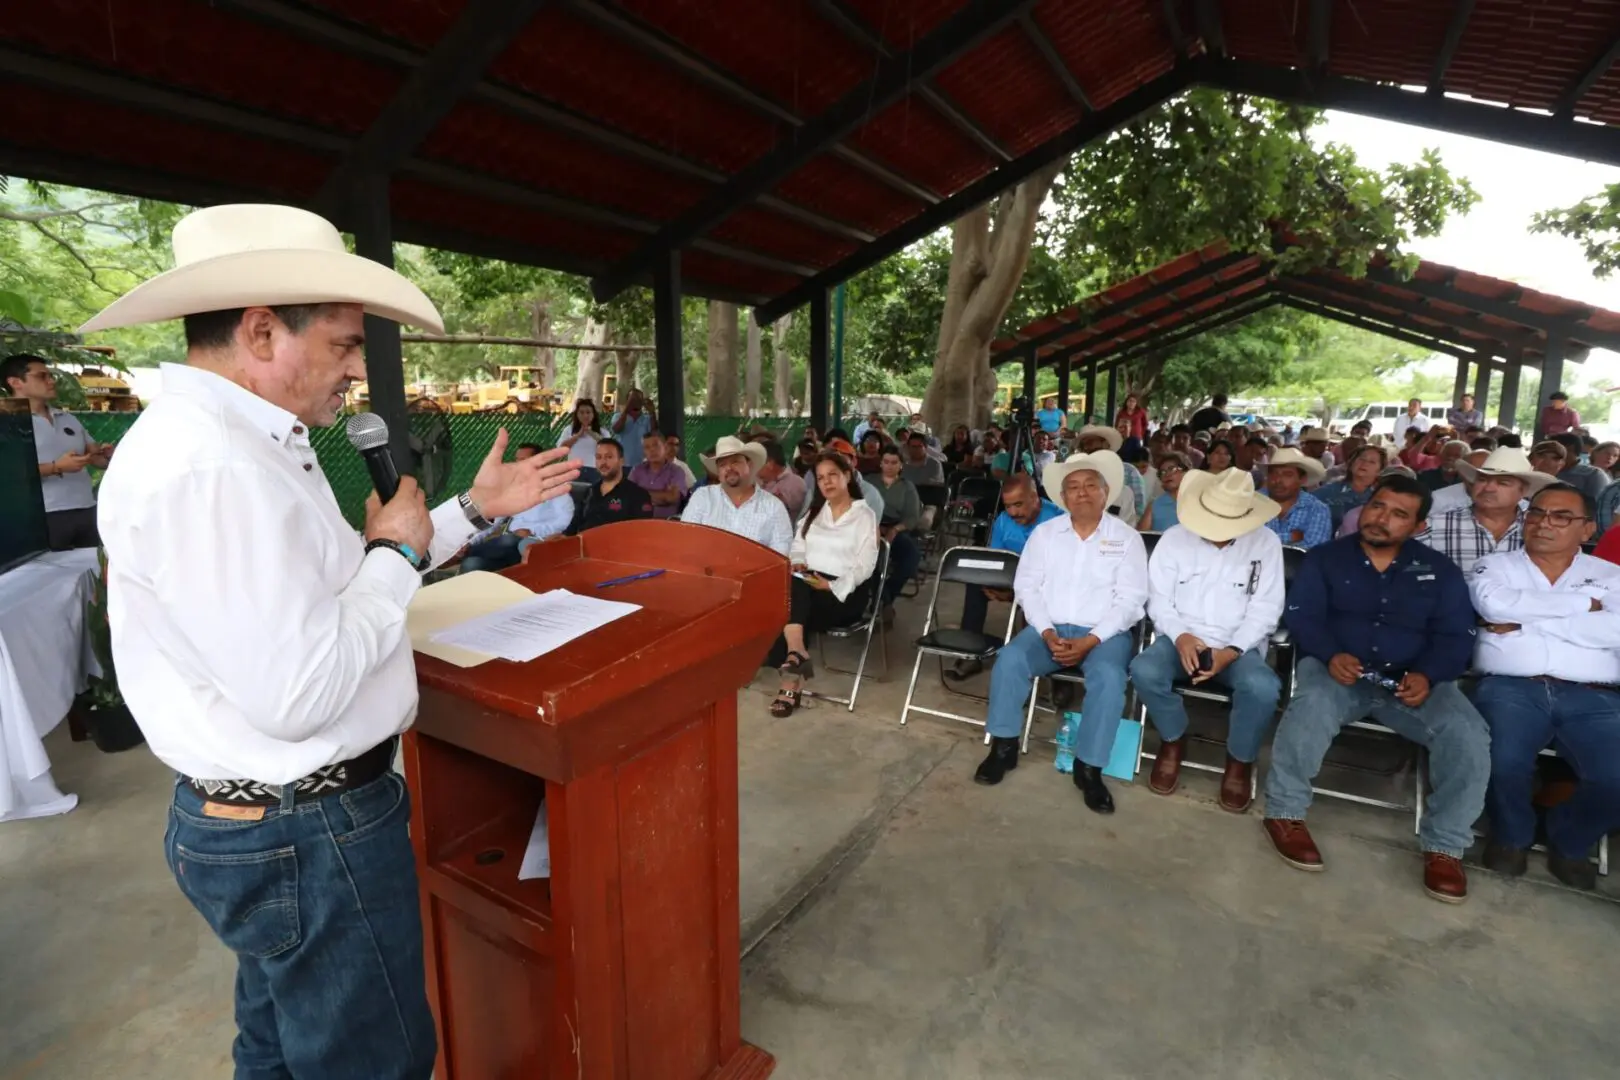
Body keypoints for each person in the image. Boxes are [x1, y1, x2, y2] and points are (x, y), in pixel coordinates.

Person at [86, 203, 581, 1077]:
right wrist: (396, 551)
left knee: (280, 1049)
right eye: (347, 346)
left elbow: (331, 592)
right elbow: (299, 692)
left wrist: (467, 513)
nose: (356, 371)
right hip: (307, 831)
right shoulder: (216, 467)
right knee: (371, 1060)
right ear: (263, 329)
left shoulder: (241, 441)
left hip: (271, 824)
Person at [1260, 475, 1485, 903]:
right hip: (1339, 670)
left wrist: (1429, 674)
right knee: (1312, 707)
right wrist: (1329, 653)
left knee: (1467, 733)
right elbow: (1303, 616)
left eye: (1398, 514)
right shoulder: (1326, 559)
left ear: (1418, 526)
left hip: (1410, 680)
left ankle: (1445, 845)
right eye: (1377, 506)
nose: (1381, 519)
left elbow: (1457, 635)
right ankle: (1285, 813)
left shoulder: (1439, 572)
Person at [973, 450, 1147, 816]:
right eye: (1072, 487)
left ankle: (1089, 767)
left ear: (1105, 492)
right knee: (1010, 659)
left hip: (1105, 635)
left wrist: (1092, 639)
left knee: (1110, 677)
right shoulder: (1046, 534)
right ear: (1063, 497)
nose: (1081, 493)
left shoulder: (1127, 538)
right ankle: (1003, 747)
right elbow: (1027, 587)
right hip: (1048, 628)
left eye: (1089, 485)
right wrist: (1048, 631)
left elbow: (1131, 600)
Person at [1470, 484, 1620, 891]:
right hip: (1511, 686)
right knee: (1503, 759)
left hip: (1594, 693)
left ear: (1587, 527)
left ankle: (1569, 839)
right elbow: (1495, 606)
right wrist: (1584, 605)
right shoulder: (1495, 566)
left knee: (1615, 775)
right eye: (1536, 513)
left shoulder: (1611, 576)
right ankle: (1512, 835)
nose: (1543, 523)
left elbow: (1616, 629)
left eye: (1561, 517)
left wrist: (1526, 621)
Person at [1131, 468, 1284, 810]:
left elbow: (1266, 609)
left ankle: (1239, 760)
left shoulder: (1266, 543)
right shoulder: (1173, 538)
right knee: (1144, 670)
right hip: (1179, 639)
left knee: (1263, 688)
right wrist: (1182, 636)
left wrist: (1230, 651)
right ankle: (1173, 738)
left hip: (1238, 647)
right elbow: (1158, 599)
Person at [771, 452, 880, 717]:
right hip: (809, 582)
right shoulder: (815, 512)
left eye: (833, 475)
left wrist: (832, 586)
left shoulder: (864, 515)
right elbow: (797, 546)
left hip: (844, 593)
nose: (826, 482)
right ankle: (796, 656)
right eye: (820, 478)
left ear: (848, 475)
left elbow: (865, 566)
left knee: (789, 603)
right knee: (791, 591)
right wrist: (797, 562)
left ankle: (793, 668)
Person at [945, 473, 1064, 681]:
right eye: (1008, 506)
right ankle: (970, 654)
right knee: (975, 583)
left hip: (1047, 586)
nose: (1012, 512)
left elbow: (1061, 572)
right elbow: (996, 560)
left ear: (1035, 497)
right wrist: (994, 584)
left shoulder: (1058, 521)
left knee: (1041, 606)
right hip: (1012, 580)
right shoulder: (1003, 520)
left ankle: (1054, 673)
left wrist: (1016, 594)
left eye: (1018, 504)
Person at [1, 353, 114, 550]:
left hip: (86, 508)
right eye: (41, 376)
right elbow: (8, 473)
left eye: (50, 376)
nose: (51, 381)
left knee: (91, 572)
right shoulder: (7, 420)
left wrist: (106, 456)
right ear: (15, 382)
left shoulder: (66, 417)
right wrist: (56, 467)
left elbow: (97, 460)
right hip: (40, 515)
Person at [1417, 447, 1546, 574]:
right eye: (1482, 480)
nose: (1488, 488)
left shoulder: (1539, 528)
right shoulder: (1436, 526)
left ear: (1522, 491)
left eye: (1503, 483)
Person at [456, 443, 568, 571]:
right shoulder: (514, 489)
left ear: (539, 462)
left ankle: (463, 555)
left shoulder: (558, 490)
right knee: (471, 564)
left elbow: (563, 523)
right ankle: (467, 553)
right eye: (517, 460)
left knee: (509, 540)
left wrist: (532, 531)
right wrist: (470, 541)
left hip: (534, 544)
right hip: (505, 548)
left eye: (523, 460)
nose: (518, 465)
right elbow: (492, 519)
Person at [681, 436, 793, 556]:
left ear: (749, 465)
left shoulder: (773, 506)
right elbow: (686, 541)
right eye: (722, 465)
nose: (729, 468)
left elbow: (781, 555)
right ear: (718, 472)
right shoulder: (703, 497)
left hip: (755, 573)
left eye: (735, 462)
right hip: (707, 572)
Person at [873, 447, 923, 619]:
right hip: (869, 528)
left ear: (901, 465)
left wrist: (895, 529)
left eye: (894, 463)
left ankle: (887, 593)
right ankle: (883, 601)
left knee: (913, 555)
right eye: (886, 462)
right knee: (871, 559)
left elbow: (912, 517)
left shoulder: (907, 487)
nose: (889, 466)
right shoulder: (869, 482)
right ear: (880, 463)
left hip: (895, 529)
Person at [569, 438, 653, 533]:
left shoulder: (638, 495)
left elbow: (642, 534)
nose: (603, 462)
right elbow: (574, 525)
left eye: (609, 457)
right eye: (599, 457)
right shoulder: (589, 492)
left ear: (621, 461)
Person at [1261, 448, 1331, 548]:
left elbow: (1313, 552)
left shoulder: (1317, 509)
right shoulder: (1252, 502)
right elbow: (1244, 542)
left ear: (1302, 479)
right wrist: (1290, 537)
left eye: (1287, 474)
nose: (1277, 480)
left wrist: (1264, 541)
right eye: (1273, 473)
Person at [1315, 444, 1386, 532]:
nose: (1364, 464)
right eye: (1361, 459)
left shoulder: (1382, 496)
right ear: (1352, 462)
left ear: (1380, 470)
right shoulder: (1329, 490)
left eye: (1372, 462)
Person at [628, 429, 688, 519]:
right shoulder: (637, 470)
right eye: (647, 447)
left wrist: (639, 494)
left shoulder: (676, 471)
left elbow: (671, 498)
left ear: (665, 447)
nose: (652, 450)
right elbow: (627, 496)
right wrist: (662, 495)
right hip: (638, 523)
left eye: (656, 445)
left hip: (666, 524)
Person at [1548, 431, 1611, 501]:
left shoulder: (1593, 474)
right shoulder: (1546, 471)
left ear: (1569, 449)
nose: (1549, 455)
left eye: (1553, 451)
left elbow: (1598, 505)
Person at [557, 397, 607, 480]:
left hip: (596, 470)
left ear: (593, 414)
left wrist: (592, 433)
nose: (585, 415)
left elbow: (608, 447)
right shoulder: (569, 430)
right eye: (582, 412)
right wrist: (577, 436)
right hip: (574, 470)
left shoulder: (603, 431)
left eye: (588, 412)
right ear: (577, 414)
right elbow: (562, 448)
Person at [758, 438, 808, 519]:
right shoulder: (759, 481)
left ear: (769, 463)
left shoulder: (795, 483)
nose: (754, 467)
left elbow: (772, 513)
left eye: (757, 462)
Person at [1139, 452, 1189, 532]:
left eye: (1172, 469)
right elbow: (1142, 538)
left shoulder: (1199, 501)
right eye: (1162, 472)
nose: (1167, 475)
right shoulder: (1154, 505)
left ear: (1186, 471)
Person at [611, 386, 657, 468]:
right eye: (632, 399)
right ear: (627, 400)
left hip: (642, 465)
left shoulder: (647, 419)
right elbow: (616, 429)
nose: (635, 402)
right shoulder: (618, 416)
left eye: (638, 399)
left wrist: (652, 412)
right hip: (622, 464)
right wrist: (627, 408)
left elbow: (654, 435)